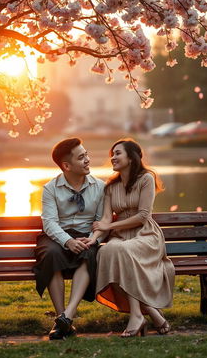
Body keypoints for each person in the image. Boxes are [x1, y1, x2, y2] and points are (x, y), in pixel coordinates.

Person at [91, 138, 175, 338]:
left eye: (118, 153)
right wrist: (93, 239)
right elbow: (104, 219)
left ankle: (138, 316)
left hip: (145, 235)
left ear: (131, 157)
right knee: (105, 251)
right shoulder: (110, 187)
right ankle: (147, 313)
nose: (113, 157)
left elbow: (142, 216)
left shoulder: (146, 178)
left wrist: (110, 226)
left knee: (120, 250)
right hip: (121, 236)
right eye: (112, 153)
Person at [33, 138, 105, 340]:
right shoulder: (51, 189)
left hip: (86, 238)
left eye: (86, 154)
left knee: (88, 253)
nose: (87, 160)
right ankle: (60, 316)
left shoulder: (100, 187)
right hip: (56, 237)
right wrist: (67, 241)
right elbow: (49, 224)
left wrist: (93, 240)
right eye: (81, 157)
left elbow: (101, 223)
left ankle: (67, 317)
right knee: (51, 254)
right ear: (66, 165)